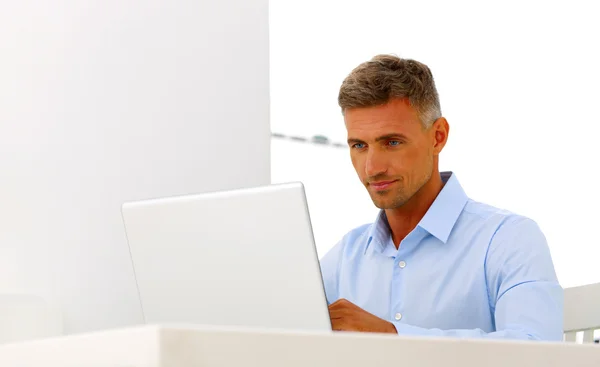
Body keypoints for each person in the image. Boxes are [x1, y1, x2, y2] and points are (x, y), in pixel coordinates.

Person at [320, 54, 563, 341]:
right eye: (359, 145)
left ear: (438, 137)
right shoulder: (343, 258)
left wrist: (392, 335)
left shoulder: (508, 240)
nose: (372, 168)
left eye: (392, 142)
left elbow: (539, 350)